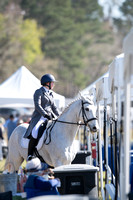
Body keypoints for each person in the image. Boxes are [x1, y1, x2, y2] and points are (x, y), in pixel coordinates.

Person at [24, 74, 60, 161]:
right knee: (35, 132)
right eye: (52, 83)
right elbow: (37, 105)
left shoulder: (51, 94)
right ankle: (30, 154)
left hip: (50, 116)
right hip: (40, 117)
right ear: (47, 83)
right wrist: (45, 114)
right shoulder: (38, 92)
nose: (53, 85)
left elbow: (54, 107)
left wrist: (60, 116)